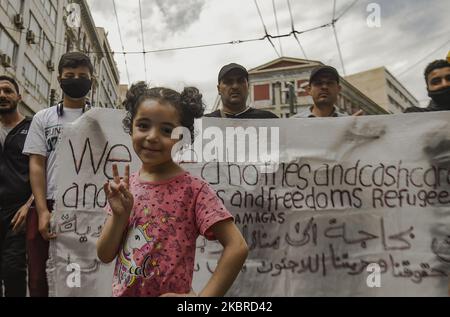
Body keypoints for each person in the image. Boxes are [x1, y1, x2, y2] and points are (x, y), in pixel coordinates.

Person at [97, 82, 248, 297]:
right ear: (131, 128)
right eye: (143, 125)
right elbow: (104, 254)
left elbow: (237, 246)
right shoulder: (125, 189)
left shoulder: (194, 190)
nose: (152, 137)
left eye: (167, 130)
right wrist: (119, 216)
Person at [23, 51, 94, 297]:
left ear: (91, 79)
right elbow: (37, 164)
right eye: (70, 75)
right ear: (59, 78)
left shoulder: (101, 119)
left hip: (89, 207)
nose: (76, 79)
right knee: (39, 276)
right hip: (50, 203)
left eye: (82, 76)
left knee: (84, 275)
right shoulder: (44, 118)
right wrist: (42, 211)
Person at [0, 76, 33, 297]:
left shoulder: (33, 128)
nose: (2, 95)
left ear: (18, 97)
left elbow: (46, 171)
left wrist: (29, 205)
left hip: (18, 213)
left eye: (7, 90)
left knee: (13, 271)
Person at [205, 63, 278, 118]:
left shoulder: (269, 120)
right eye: (228, 82)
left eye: (240, 81)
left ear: (248, 86)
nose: (235, 86)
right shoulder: (204, 124)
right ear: (219, 89)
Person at [293, 65, 363, 118]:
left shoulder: (349, 123)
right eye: (318, 83)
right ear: (309, 90)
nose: (324, 87)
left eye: (330, 83)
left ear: (338, 89)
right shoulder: (293, 123)